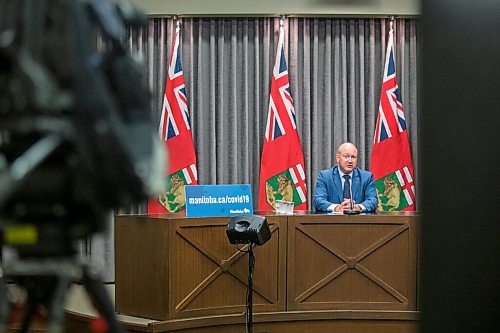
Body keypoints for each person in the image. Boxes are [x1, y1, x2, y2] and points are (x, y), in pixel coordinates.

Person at [313, 142, 378, 213]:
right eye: (346, 156)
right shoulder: (325, 176)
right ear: (338, 158)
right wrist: (337, 208)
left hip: (359, 222)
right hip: (332, 222)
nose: (350, 161)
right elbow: (318, 201)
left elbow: (373, 200)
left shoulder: (366, 177)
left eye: (353, 157)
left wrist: (358, 207)